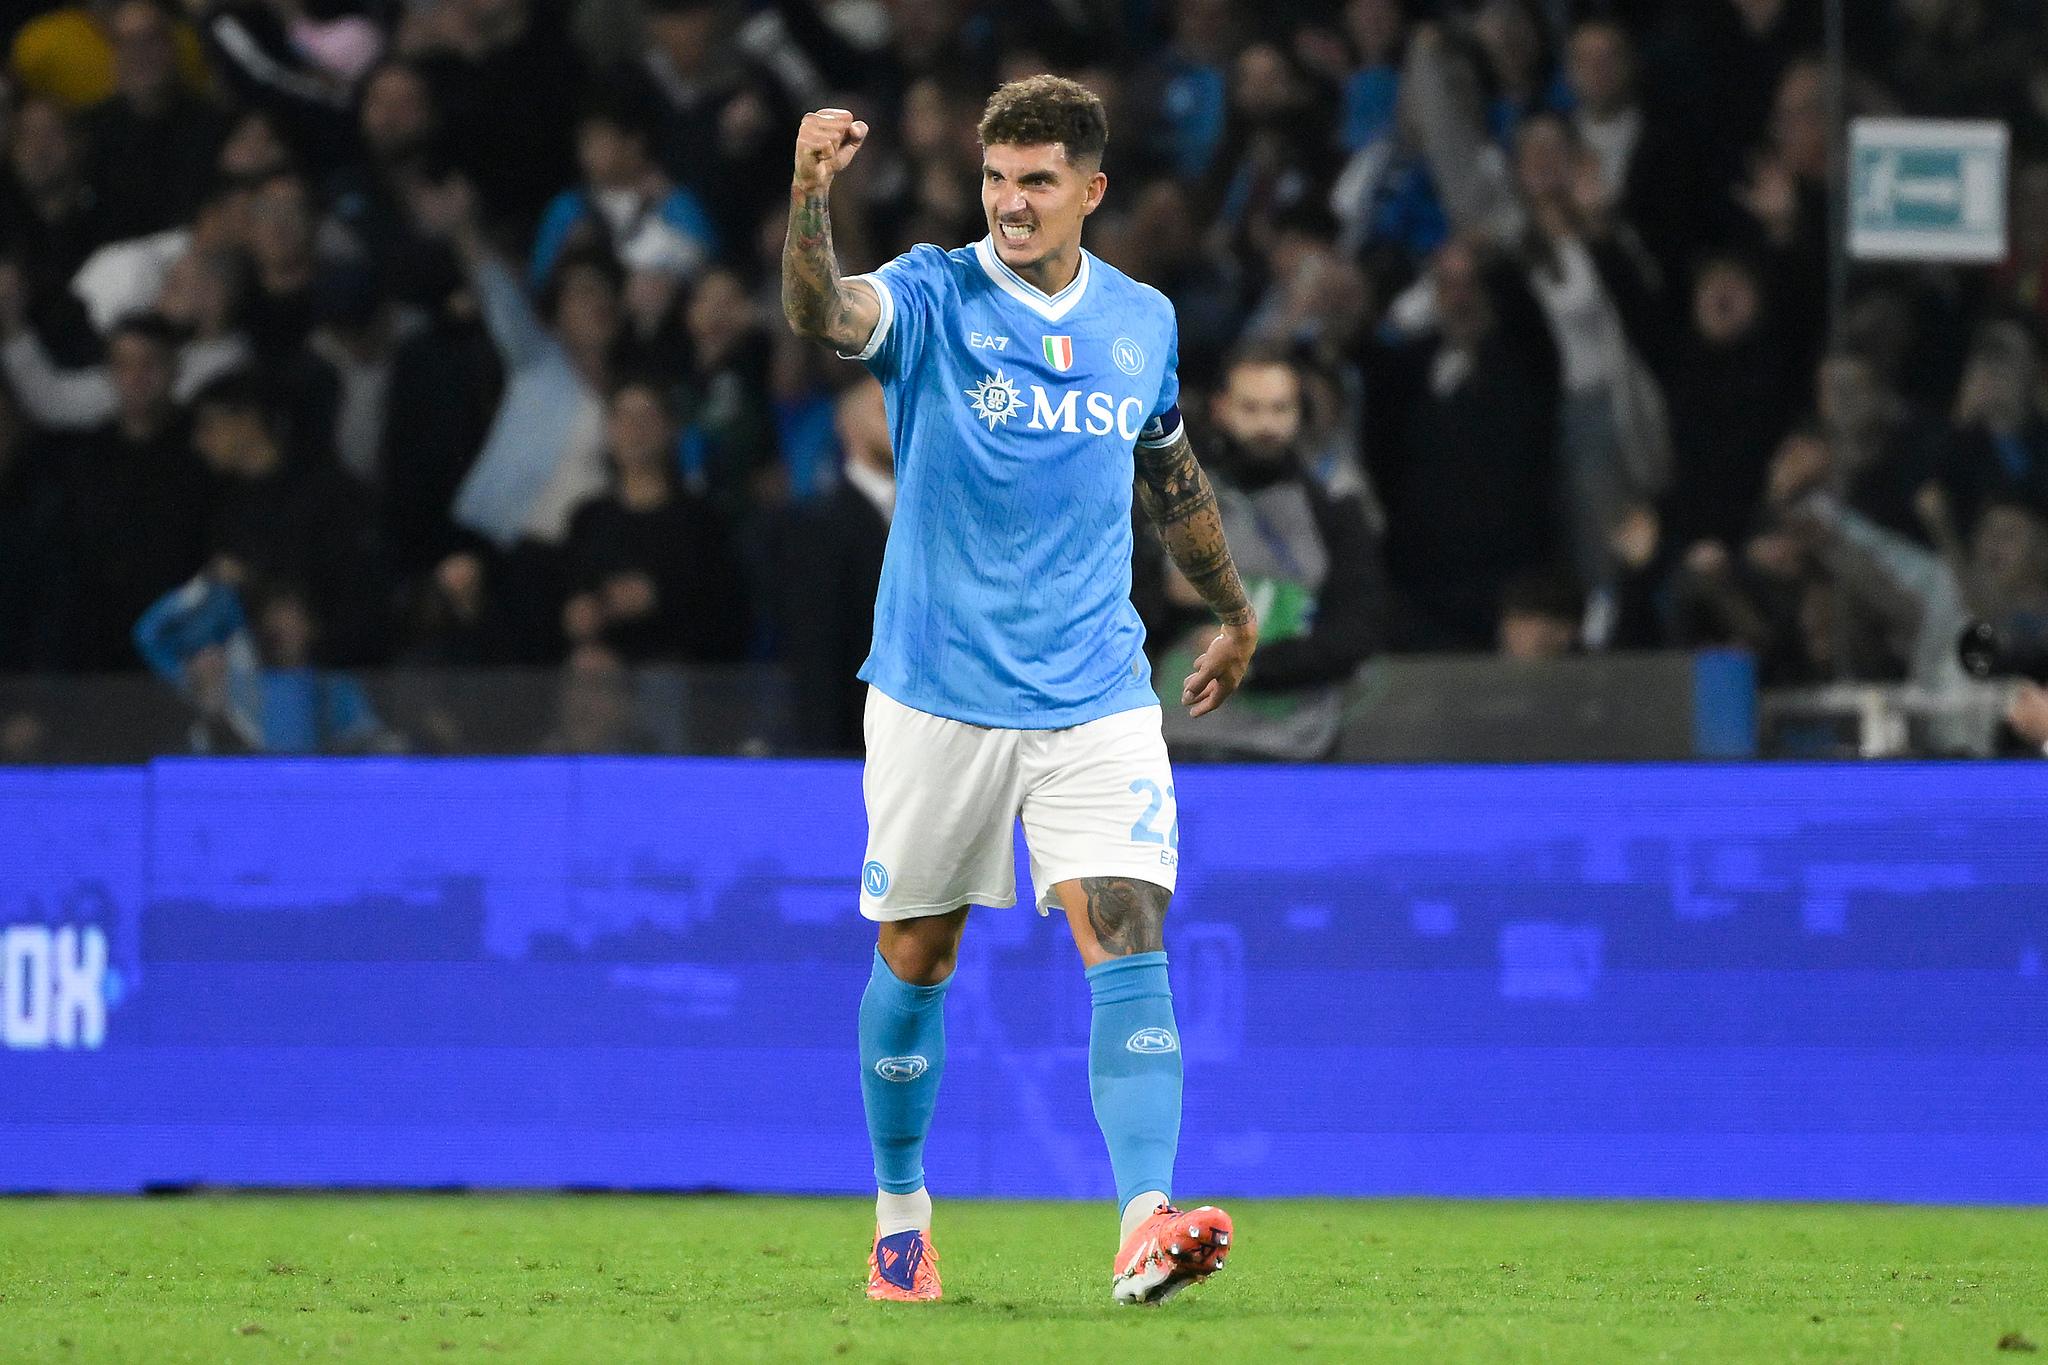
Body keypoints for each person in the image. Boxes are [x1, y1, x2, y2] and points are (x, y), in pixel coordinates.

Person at [781, 77, 1255, 1306]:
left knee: (1127, 922)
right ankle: (900, 1219)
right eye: (995, 178)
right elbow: (821, 313)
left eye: (1036, 180)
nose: (1009, 202)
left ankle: (1145, 1223)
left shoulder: (1140, 320)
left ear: (1090, 190)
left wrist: (1231, 608)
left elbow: (1170, 474)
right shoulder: (933, 296)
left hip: (1095, 689)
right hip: (937, 688)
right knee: (919, 950)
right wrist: (808, 198)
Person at [1154, 346, 1382, 760]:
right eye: (1251, 408)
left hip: (1294, 743)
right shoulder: (1171, 495)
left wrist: (1253, 662)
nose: (1267, 424)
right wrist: (1166, 600)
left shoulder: (1334, 507)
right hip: (1179, 738)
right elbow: (1125, 613)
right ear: (1221, 408)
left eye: (1280, 409)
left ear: (1299, 413)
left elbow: (1356, 631)